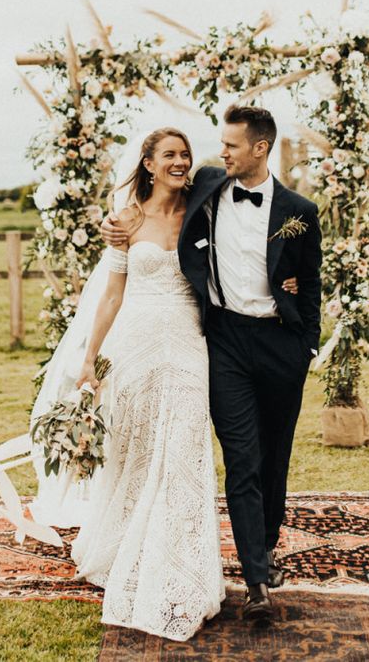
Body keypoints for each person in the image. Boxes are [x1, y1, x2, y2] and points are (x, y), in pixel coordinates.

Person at [102, 105, 322, 621]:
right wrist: (112, 227)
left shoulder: (300, 212)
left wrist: (307, 344)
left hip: (281, 344)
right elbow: (145, 205)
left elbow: (310, 281)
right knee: (241, 459)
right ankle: (256, 582)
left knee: (274, 456)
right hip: (223, 343)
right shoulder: (206, 185)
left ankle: (266, 542)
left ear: (260, 149)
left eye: (231, 145)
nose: (219, 152)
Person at [69, 128, 225, 641]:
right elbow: (112, 294)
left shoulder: (204, 209)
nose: (181, 162)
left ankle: (181, 565)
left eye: (185, 154)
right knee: (135, 450)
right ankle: (125, 549)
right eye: (169, 155)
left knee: (182, 450)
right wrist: (90, 358)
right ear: (149, 163)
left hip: (185, 341)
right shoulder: (126, 218)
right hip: (134, 341)